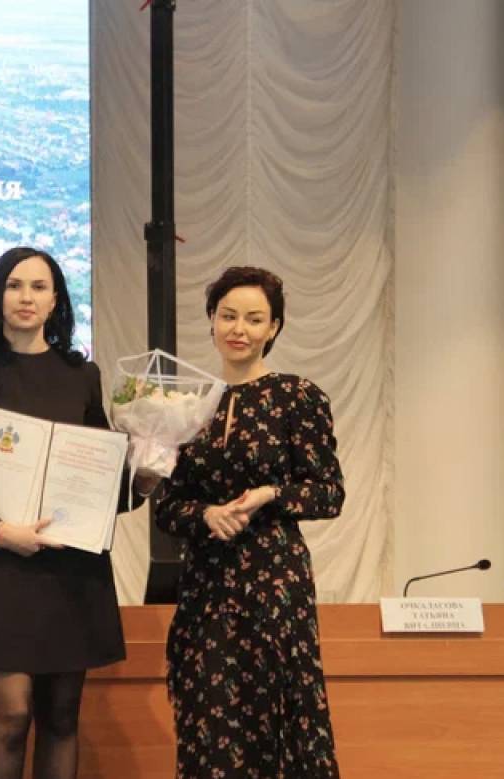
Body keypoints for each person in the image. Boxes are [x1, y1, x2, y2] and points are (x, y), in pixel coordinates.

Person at [0, 247, 127, 779]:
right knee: (10, 717)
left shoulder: (81, 375)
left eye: (39, 287)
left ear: (56, 300)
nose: (26, 297)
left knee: (61, 717)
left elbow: (102, 479)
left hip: (69, 568)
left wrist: (144, 473)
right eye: (14, 285)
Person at [155, 266, 345, 778]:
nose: (239, 329)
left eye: (254, 319)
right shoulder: (189, 405)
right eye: (228, 316)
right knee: (208, 719)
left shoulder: (297, 395)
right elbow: (168, 506)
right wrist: (205, 514)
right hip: (207, 586)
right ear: (212, 320)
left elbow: (329, 492)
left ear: (274, 327)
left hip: (274, 584)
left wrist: (270, 495)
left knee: (277, 719)